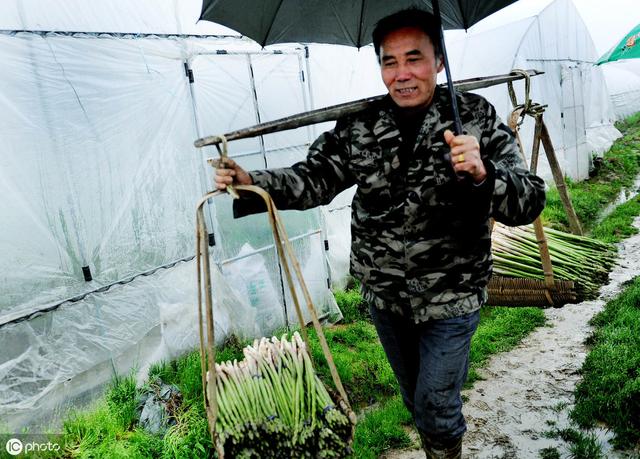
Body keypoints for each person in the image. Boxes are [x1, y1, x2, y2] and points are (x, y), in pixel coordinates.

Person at [214, 8, 545, 458]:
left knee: (437, 406)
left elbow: (529, 199)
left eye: (415, 58)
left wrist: (484, 174)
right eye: (390, 62)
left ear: (439, 61)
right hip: (386, 295)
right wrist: (249, 180)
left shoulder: (475, 119)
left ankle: (444, 445)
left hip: (452, 294)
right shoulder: (361, 125)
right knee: (416, 403)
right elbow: (314, 179)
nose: (402, 74)